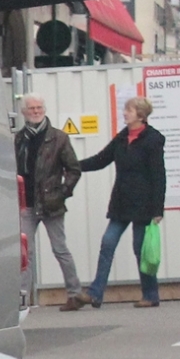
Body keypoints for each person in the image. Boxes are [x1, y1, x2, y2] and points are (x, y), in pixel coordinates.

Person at [76, 95, 167, 308]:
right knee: (107, 243)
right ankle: (95, 293)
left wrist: (158, 208)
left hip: (143, 204)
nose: (125, 113)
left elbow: (159, 176)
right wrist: (73, 165)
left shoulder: (153, 140)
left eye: (129, 110)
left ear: (141, 115)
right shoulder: (122, 137)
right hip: (121, 202)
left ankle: (150, 294)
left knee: (140, 249)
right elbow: (101, 160)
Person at [15, 94, 85, 310]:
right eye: (32, 108)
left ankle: (75, 294)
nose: (36, 111)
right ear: (24, 112)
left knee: (60, 249)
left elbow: (74, 169)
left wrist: (62, 193)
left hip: (51, 204)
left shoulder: (59, 138)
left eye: (39, 108)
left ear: (44, 110)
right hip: (26, 204)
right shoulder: (19, 139)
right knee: (25, 252)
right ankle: (22, 299)